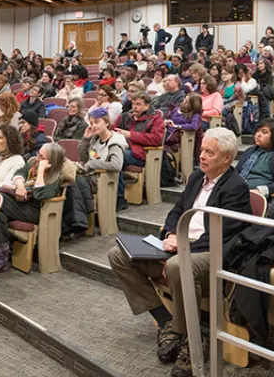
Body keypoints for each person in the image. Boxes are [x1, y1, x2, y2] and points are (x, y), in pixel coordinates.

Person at [107, 128, 252, 377]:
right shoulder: (197, 177)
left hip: (209, 251)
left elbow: (221, 234)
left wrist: (182, 248)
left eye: (210, 152)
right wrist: (170, 235)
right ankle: (165, 319)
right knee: (118, 254)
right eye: (202, 150)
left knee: (177, 265)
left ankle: (190, 339)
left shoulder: (236, 187)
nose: (202, 156)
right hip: (179, 244)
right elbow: (177, 211)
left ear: (227, 158)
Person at [0, 143, 74, 276]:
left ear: (51, 161)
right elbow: (19, 172)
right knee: (0, 212)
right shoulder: (34, 162)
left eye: (42, 157)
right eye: (38, 153)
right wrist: (20, 184)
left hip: (37, 211)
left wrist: (41, 172)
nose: (37, 158)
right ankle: (1, 259)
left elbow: (39, 195)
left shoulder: (57, 176)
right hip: (23, 205)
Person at [82, 107, 129, 208]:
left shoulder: (115, 142)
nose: (93, 126)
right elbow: (84, 157)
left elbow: (116, 165)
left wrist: (92, 164)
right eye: (91, 123)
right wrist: (86, 140)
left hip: (104, 178)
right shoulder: (95, 139)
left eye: (97, 122)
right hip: (92, 176)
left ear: (107, 123)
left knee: (76, 184)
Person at [113, 93, 166, 170]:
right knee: (96, 154)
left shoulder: (155, 119)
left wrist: (131, 135)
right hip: (121, 148)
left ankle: (114, 182)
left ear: (147, 106)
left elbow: (157, 139)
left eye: (138, 104)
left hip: (140, 154)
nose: (134, 107)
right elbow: (113, 131)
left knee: (115, 157)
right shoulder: (124, 117)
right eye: (133, 104)